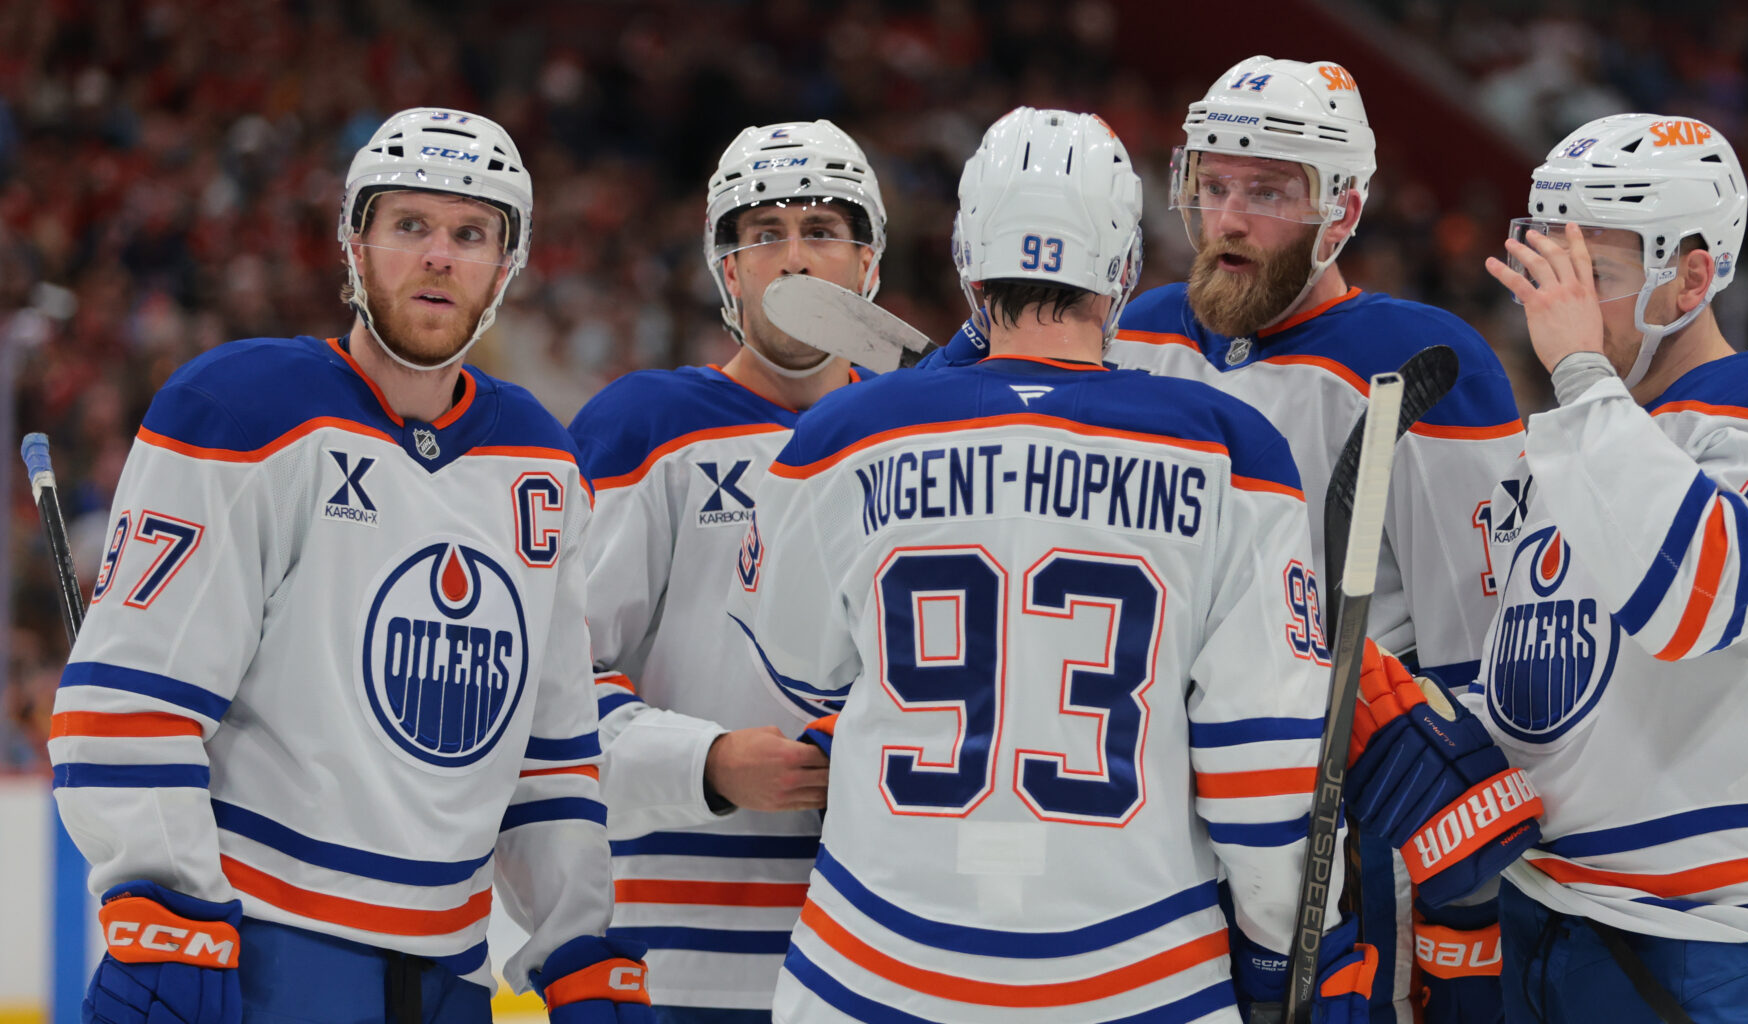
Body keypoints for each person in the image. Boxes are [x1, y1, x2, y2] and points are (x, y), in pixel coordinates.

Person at [728, 105, 1383, 1024]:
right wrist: (1287, 950)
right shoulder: (1233, 449)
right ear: (1123, 267)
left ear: (966, 259)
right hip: (1143, 975)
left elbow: (798, 671)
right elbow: (1263, 767)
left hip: (870, 970)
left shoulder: (838, 437)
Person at [918, 57, 1529, 1024]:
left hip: (1344, 817)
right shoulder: (1139, 329)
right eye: (1214, 186)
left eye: (1270, 191)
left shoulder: (1423, 360)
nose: (1230, 218)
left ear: (1343, 208)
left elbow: (1483, 655)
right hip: (1150, 808)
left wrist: (1465, 903)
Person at [47, 107, 651, 1023]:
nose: (440, 256)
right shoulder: (242, 410)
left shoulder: (540, 460)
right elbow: (130, 697)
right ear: (355, 244)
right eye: (410, 225)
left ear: (506, 263)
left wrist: (578, 947)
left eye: (470, 234)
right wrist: (167, 912)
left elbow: (551, 748)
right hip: (263, 949)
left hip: (452, 973)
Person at [1481, 112, 1748, 1023]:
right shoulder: (1566, 439)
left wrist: (1580, 381)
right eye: (1550, 271)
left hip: (1738, 929)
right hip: (1556, 919)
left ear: (1690, 277)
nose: (1555, 307)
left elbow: (1691, 601)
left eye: (1591, 276)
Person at [571, 120, 883, 1023]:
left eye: (821, 231)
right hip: (673, 958)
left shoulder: (921, 442)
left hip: (881, 944)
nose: (792, 260)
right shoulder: (647, 427)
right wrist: (702, 762)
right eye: (764, 233)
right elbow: (547, 688)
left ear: (867, 265)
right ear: (728, 268)